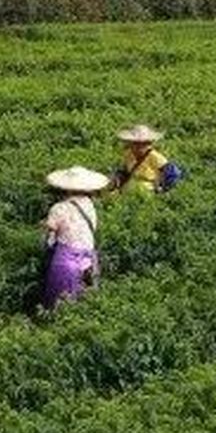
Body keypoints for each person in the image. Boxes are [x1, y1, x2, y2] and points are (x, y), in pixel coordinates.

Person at [42, 166, 109, 307]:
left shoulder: (59, 208)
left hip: (67, 257)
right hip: (88, 256)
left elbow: (50, 229)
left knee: (59, 296)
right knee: (84, 296)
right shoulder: (90, 204)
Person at [113, 124, 184, 194]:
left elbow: (172, 172)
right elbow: (125, 170)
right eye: (136, 143)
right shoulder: (128, 154)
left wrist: (162, 187)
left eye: (143, 144)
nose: (139, 147)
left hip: (148, 188)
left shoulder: (154, 156)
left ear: (149, 144)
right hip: (130, 185)